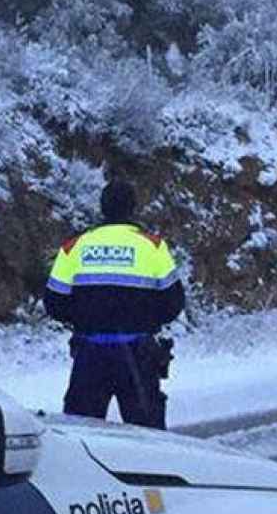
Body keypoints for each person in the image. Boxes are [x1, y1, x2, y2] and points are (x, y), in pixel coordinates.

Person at [44, 180, 184, 428]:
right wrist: (145, 321)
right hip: (137, 353)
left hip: (90, 351)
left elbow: (54, 304)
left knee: (80, 434)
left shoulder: (74, 247)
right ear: (133, 208)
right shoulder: (153, 246)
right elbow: (173, 303)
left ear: (102, 207)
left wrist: (84, 319)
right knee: (150, 439)